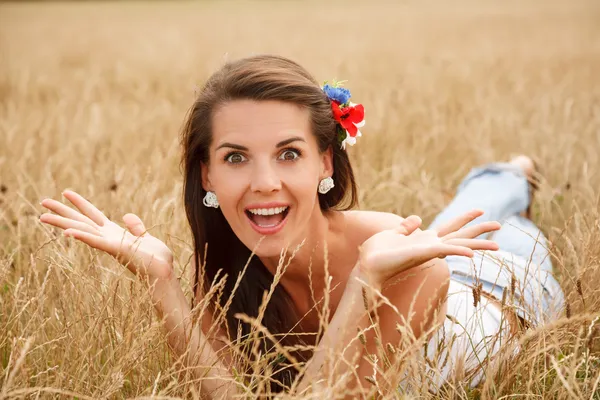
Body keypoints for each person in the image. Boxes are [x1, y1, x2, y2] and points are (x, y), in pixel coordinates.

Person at [39, 55, 564, 397]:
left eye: (289, 153)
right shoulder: (221, 274)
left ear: (326, 164)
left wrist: (367, 281)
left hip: (497, 287)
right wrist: (161, 283)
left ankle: (512, 173)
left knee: (490, 218)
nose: (265, 182)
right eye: (236, 157)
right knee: (456, 218)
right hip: (421, 247)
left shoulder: (402, 263)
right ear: (207, 173)